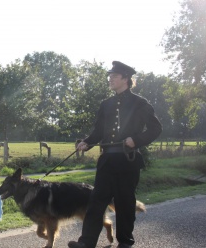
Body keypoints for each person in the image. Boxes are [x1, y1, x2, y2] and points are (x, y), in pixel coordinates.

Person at [68, 61, 162, 248]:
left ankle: (125, 242)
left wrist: (136, 140)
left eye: (114, 76)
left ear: (126, 79)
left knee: (125, 202)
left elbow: (155, 128)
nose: (110, 79)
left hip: (128, 161)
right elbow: (98, 132)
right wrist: (87, 143)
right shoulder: (106, 104)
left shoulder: (140, 103)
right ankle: (86, 242)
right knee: (96, 202)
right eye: (109, 76)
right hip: (107, 161)